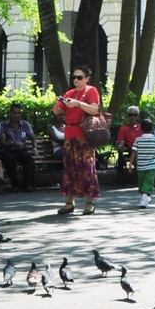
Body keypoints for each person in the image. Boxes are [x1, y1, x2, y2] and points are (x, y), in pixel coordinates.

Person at [53, 65, 104, 215]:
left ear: (87, 78)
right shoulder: (70, 92)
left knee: (87, 168)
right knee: (69, 168)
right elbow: (57, 111)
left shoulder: (91, 91)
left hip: (85, 135)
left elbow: (95, 109)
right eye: (74, 77)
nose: (76, 80)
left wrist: (78, 104)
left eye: (79, 77)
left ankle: (90, 203)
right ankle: (69, 203)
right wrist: (58, 103)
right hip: (70, 134)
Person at [0, 104, 37, 192]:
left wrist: (34, 147)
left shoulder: (25, 124)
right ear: (10, 113)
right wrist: (14, 144)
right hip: (8, 150)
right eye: (14, 113)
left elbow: (33, 137)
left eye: (18, 113)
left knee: (28, 159)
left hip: (22, 150)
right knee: (9, 158)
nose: (16, 115)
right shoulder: (3, 125)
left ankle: (28, 185)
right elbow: (2, 142)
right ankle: (14, 184)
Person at [132, 117, 155, 209]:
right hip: (151, 166)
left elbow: (134, 152)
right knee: (148, 182)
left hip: (140, 166)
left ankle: (144, 198)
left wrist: (130, 163)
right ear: (152, 129)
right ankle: (145, 197)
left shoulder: (137, 140)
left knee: (142, 184)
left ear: (141, 128)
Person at [114, 106, 145, 182]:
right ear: (127, 115)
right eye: (130, 115)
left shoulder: (143, 127)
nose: (132, 117)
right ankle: (143, 179)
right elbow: (120, 142)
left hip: (145, 148)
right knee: (136, 155)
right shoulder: (123, 128)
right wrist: (120, 145)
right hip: (133, 150)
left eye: (135, 114)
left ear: (138, 116)